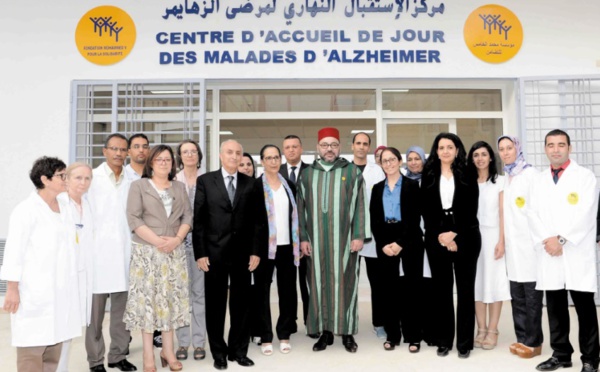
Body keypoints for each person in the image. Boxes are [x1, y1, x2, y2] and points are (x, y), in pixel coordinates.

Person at [528, 129, 599, 372]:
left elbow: (587, 213)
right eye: (551, 145)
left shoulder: (585, 177)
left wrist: (562, 239)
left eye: (561, 144)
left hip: (575, 250)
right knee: (556, 307)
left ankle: (590, 359)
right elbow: (531, 213)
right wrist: (547, 240)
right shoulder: (538, 180)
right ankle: (561, 354)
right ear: (545, 148)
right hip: (549, 251)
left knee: (585, 308)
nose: (555, 149)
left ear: (570, 147)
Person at [1, 156, 81, 372]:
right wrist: (12, 289)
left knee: (54, 351)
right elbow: (13, 252)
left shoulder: (66, 207)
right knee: (32, 351)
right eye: (61, 176)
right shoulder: (26, 210)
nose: (66, 179)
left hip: (61, 291)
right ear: (45, 179)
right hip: (34, 292)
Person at [297, 127, 368, 353]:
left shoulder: (352, 171)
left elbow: (360, 205)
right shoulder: (307, 174)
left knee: (346, 284)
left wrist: (358, 235)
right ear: (318, 148)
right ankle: (325, 332)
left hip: (345, 241)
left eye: (334, 145)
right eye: (325, 145)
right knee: (318, 285)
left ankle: (347, 333)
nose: (329, 149)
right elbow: (301, 208)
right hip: (316, 242)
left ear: (340, 147)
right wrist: (303, 237)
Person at [124, 144, 192, 372]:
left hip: (174, 253)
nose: (164, 163)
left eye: (168, 160)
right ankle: (148, 356)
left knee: (170, 303)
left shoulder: (180, 187)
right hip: (147, 254)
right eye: (159, 159)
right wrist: (157, 241)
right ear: (151, 162)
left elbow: (188, 216)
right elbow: (133, 218)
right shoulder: (139, 186)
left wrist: (176, 239)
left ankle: (168, 352)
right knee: (148, 304)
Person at [193, 140, 260, 370]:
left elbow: (258, 222)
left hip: (243, 254)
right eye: (230, 152)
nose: (234, 156)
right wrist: (200, 253)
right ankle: (219, 353)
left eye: (238, 153)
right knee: (215, 305)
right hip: (213, 253)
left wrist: (256, 251)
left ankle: (239, 351)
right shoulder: (205, 181)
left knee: (241, 305)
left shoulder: (251, 184)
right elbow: (199, 220)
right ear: (221, 155)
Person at [421, 132, 481, 359]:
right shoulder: (429, 174)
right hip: (437, 237)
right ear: (436, 151)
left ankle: (464, 342)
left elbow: (470, 208)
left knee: (466, 291)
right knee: (442, 292)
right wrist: (442, 237)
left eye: (450, 147)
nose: (445, 151)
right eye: (441, 147)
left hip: (466, 235)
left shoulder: (468, 172)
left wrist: (455, 235)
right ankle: (444, 340)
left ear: (457, 150)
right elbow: (426, 210)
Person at [86, 133, 137, 372]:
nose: (118, 153)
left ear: (127, 153)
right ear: (104, 151)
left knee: (122, 314)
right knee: (94, 316)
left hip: (125, 255)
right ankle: (95, 360)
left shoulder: (133, 178)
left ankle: (117, 355)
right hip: (96, 256)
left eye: (122, 149)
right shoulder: (91, 179)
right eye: (113, 149)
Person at [370, 147, 423, 352]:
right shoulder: (376, 188)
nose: (389, 164)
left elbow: (414, 218)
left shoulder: (411, 186)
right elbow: (375, 220)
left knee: (412, 289)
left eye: (392, 159)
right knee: (388, 291)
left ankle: (414, 336)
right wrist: (384, 243)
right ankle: (393, 335)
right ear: (381, 164)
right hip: (385, 240)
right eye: (385, 161)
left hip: (409, 239)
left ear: (400, 161)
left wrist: (400, 243)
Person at [498, 135, 543, 359]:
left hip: (530, 247)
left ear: (517, 149)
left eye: (509, 148)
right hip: (514, 249)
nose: (506, 152)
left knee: (532, 297)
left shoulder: (531, 175)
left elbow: (539, 211)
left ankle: (534, 343)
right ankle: (522, 338)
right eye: (502, 149)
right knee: (517, 296)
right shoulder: (508, 177)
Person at [252, 144, 300, 356]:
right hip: (264, 249)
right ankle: (265, 335)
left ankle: (284, 333)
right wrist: (253, 250)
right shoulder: (254, 187)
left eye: (276, 157)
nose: (273, 161)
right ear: (262, 161)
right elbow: (251, 223)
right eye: (268, 158)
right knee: (261, 292)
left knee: (288, 291)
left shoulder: (289, 185)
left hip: (287, 246)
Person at [467, 141, 511, 351]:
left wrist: (501, 241)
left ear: (491, 157)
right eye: (476, 155)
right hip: (474, 238)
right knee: (477, 284)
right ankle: (481, 328)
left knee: (494, 283)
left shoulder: (501, 182)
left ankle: (493, 330)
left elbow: (503, 213)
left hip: (494, 236)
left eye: (484, 154)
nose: (480, 158)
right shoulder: (468, 182)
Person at [57, 162, 95, 372]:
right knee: (59, 327)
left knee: (70, 328)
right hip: (63, 276)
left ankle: (61, 367)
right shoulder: (60, 204)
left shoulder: (86, 204)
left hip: (81, 275)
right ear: (67, 179)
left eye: (87, 178)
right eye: (78, 178)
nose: (83, 182)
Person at [173, 140, 207, 362]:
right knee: (180, 295)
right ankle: (183, 342)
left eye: (193, 151)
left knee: (199, 294)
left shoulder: (208, 180)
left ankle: (199, 342)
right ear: (180, 156)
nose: (190, 155)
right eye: (185, 152)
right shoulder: (172, 181)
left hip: (202, 246)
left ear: (199, 155)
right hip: (177, 245)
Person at [278, 134, 314, 339]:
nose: (291, 150)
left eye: (295, 146)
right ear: (284, 151)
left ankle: (311, 322)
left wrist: (305, 237)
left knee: (308, 283)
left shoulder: (312, 171)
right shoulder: (276, 172)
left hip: (307, 236)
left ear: (301, 148)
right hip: (284, 240)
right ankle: (289, 322)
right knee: (287, 285)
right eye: (287, 147)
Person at [352, 132, 386, 340]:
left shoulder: (378, 171)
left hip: (373, 236)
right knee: (348, 284)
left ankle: (379, 322)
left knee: (378, 283)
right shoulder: (344, 169)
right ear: (353, 145)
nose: (362, 147)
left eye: (365, 144)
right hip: (350, 235)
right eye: (358, 143)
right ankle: (347, 322)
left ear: (369, 147)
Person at [404, 146, 435, 347]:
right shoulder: (404, 183)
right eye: (410, 159)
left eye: (418, 158)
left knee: (430, 287)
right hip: (411, 240)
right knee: (413, 287)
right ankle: (414, 331)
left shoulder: (431, 180)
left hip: (431, 238)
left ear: (424, 160)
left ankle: (431, 331)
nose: (414, 162)